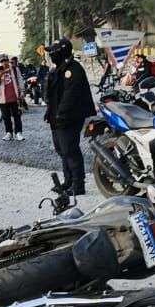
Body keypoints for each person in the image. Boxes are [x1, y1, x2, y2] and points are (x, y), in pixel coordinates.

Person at [43, 37, 96, 195]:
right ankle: (68, 181)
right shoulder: (58, 69)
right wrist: (50, 113)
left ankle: (78, 185)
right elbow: (52, 95)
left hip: (69, 117)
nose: (51, 55)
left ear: (62, 52)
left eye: (53, 52)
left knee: (70, 150)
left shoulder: (73, 69)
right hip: (57, 117)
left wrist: (61, 115)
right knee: (61, 150)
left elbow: (70, 96)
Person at [0, 53, 25, 142]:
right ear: (0, 62)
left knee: (17, 116)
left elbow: (20, 80)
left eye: (5, 60)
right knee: (6, 116)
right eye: (2, 61)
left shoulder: (14, 69)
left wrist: (22, 91)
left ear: (8, 60)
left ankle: (18, 132)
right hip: (3, 98)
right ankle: (9, 133)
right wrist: (0, 75)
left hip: (14, 96)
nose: (4, 63)